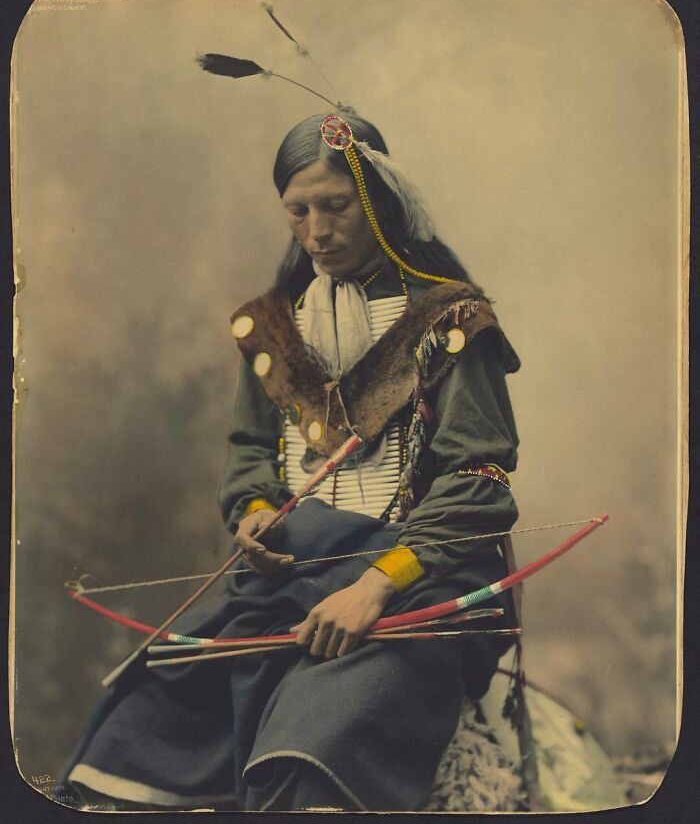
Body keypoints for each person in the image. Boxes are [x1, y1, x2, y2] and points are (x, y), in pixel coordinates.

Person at [61, 112, 522, 812]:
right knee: (145, 719)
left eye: (337, 207)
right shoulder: (273, 327)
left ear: (380, 203)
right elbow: (251, 451)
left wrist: (376, 586)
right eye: (298, 211)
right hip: (295, 571)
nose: (317, 232)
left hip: (420, 576)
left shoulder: (449, 322)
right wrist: (252, 513)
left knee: (314, 741)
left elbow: (478, 479)